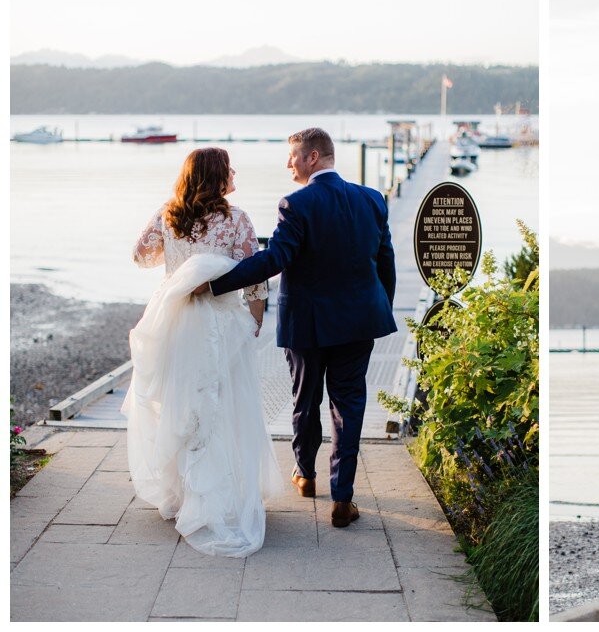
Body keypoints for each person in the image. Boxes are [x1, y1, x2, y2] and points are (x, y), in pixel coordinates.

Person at [198, 127, 397, 528]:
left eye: (292, 156)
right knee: (349, 406)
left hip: (308, 324)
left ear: (312, 158)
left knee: (305, 399)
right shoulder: (373, 199)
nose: (288, 164)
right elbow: (385, 262)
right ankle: (343, 497)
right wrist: (379, 309)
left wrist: (215, 283)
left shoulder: (296, 203)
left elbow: (276, 258)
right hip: (359, 321)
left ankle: (304, 474)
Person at [126, 147, 281, 557]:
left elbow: (140, 256)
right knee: (225, 404)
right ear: (215, 177)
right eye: (230, 169)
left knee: (182, 402)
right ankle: (223, 494)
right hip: (221, 324)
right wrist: (256, 318)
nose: (235, 173)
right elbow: (255, 276)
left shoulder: (168, 215)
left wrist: (176, 256)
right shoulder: (236, 219)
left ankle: (184, 492)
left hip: (177, 322)